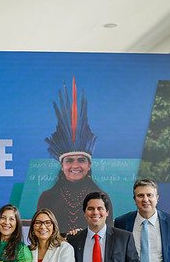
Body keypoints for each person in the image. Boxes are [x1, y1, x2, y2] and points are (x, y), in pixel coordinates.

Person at [36, 80, 113, 234]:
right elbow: (40, 233)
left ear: (89, 165)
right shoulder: (47, 197)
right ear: (62, 165)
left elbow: (108, 236)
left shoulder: (102, 199)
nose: (75, 165)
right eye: (69, 160)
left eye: (81, 160)